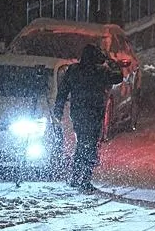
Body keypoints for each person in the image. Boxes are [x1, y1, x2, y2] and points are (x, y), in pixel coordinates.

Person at [53, 44, 123, 192]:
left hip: (78, 113)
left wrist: (58, 109)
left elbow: (63, 91)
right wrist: (111, 62)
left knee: (82, 143)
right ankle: (85, 179)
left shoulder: (74, 70)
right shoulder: (101, 72)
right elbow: (118, 77)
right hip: (94, 113)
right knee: (90, 145)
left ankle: (76, 176)